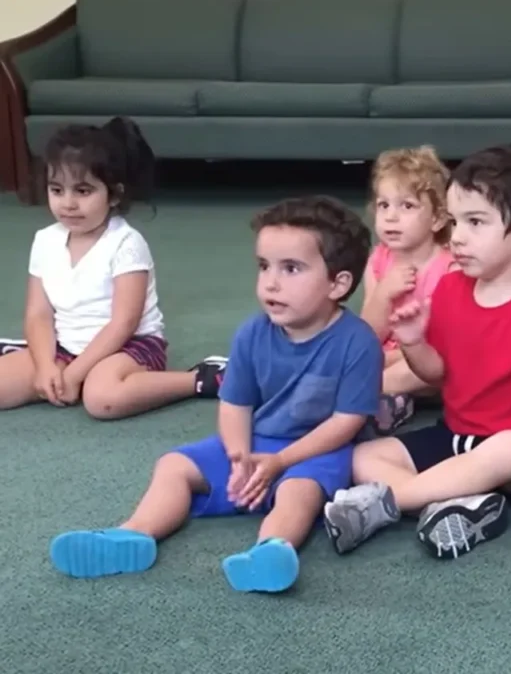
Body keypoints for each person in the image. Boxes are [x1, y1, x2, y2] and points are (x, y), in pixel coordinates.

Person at [49, 196, 383, 593]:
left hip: (315, 451)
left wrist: (280, 461)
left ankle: (270, 550)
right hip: (258, 442)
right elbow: (234, 404)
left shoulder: (358, 342)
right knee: (174, 465)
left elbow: (346, 423)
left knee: (300, 491)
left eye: (291, 268)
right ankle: (134, 534)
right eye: (264, 267)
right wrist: (238, 454)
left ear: (338, 283)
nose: (271, 282)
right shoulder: (251, 334)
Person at [323, 144, 511, 559]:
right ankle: (460, 504)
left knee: (509, 449)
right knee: (363, 456)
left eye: (476, 222)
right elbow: (437, 375)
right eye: (454, 221)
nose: (458, 237)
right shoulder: (450, 289)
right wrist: (413, 341)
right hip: (458, 432)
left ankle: (391, 502)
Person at [0, 118, 225, 418]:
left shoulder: (126, 243)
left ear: (114, 194)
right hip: (66, 345)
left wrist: (75, 373)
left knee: (102, 399)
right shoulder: (45, 240)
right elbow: (38, 313)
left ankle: (201, 378)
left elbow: (124, 323)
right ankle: (27, 354)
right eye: (57, 190)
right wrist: (44, 365)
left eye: (83, 191)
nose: (68, 203)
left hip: (129, 346)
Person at [360, 146, 455, 433]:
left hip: (426, 364)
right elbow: (367, 334)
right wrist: (383, 294)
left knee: (435, 371)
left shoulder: (451, 270)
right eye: (383, 205)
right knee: (341, 345)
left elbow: (446, 350)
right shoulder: (378, 261)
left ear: (437, 219)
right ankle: (389, 399)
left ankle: (360, 393)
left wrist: (386, 360)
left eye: (407, 206)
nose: (391, 217)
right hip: (384, 357)